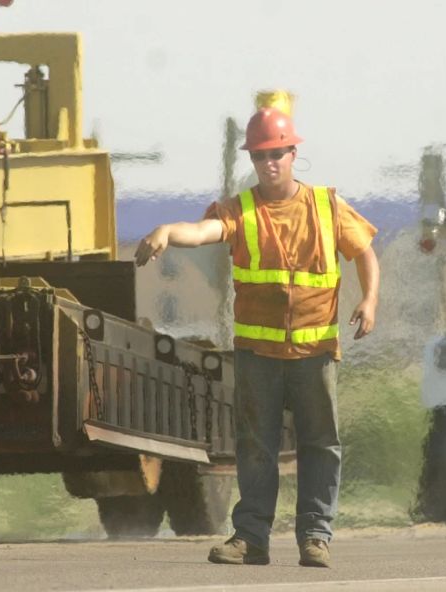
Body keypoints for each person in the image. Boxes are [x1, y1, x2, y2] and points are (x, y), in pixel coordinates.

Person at [134, 106, 379, 568]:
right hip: (258, 354)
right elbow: (204, 230)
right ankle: (251, 538)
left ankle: (315, 537)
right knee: (255, 446)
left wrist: (370, 301)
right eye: (261, 155)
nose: (269, 163)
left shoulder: (326, 207)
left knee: (320, 444)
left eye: (277, 154)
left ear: (293, 153)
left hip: (315, 352)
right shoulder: (242, 210)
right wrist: (167, 229)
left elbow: (364, 252)